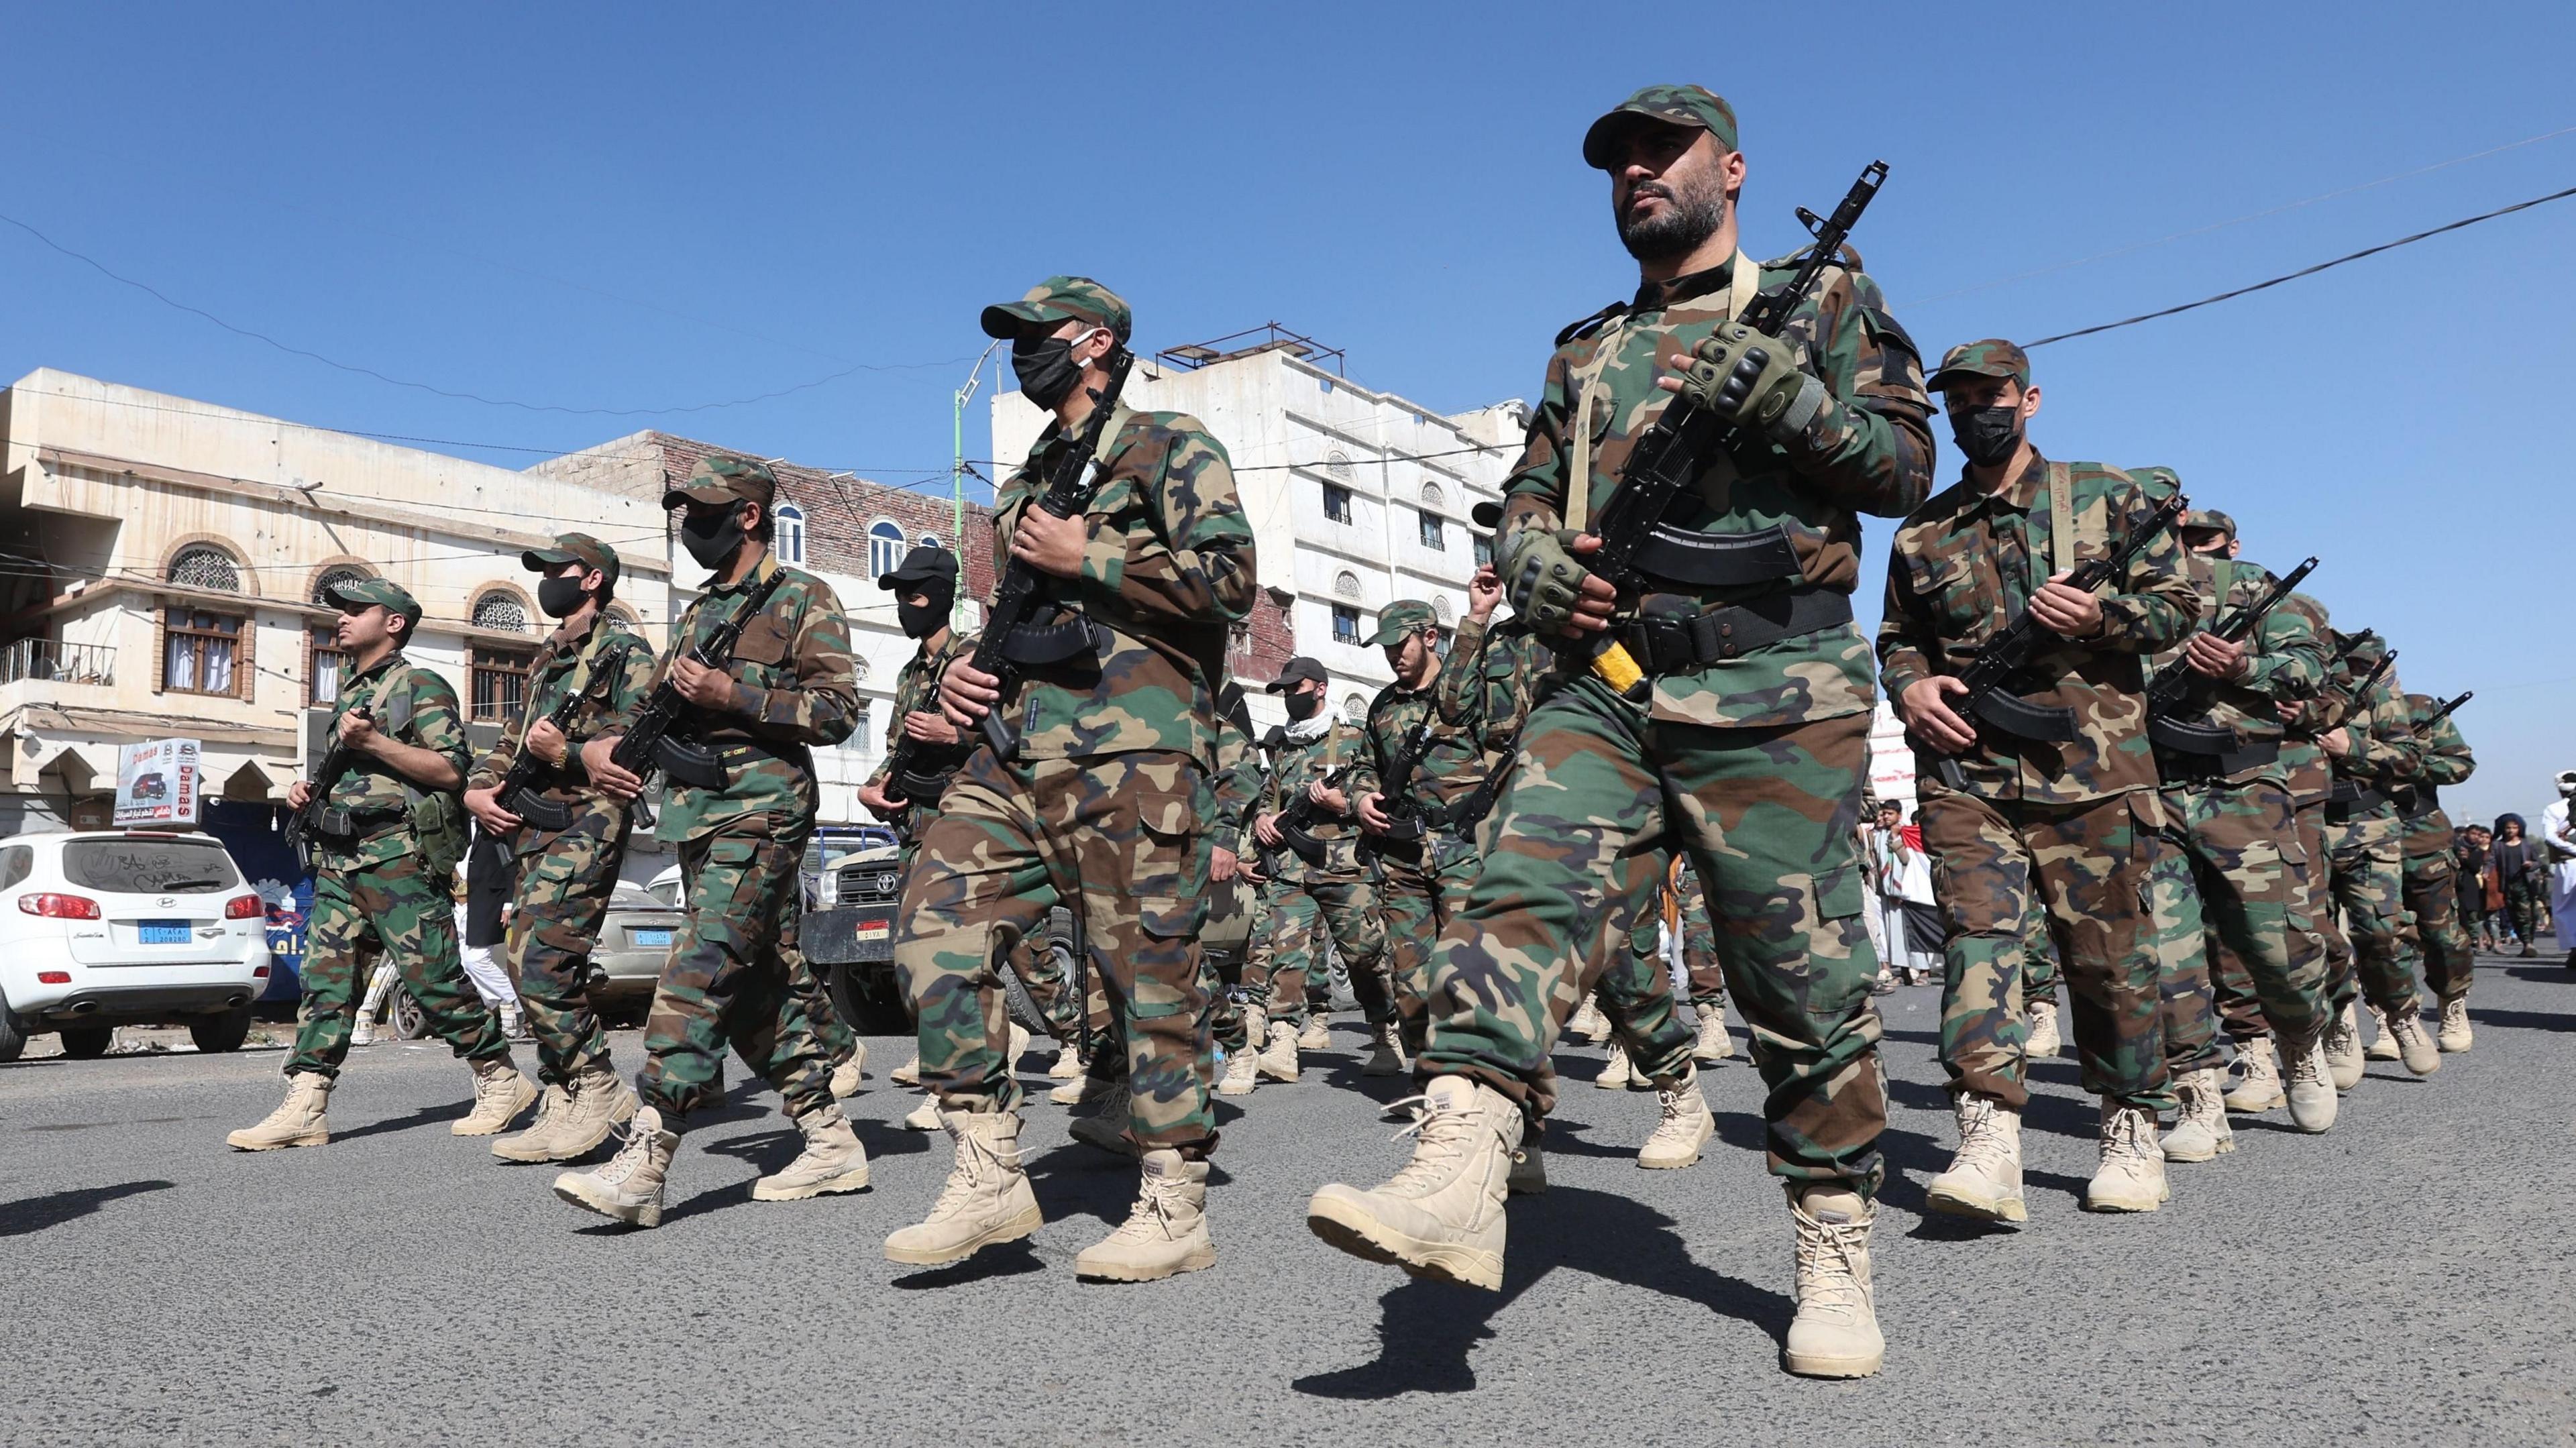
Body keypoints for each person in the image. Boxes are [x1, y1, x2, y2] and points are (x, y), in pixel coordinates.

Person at [1307, 85, 1933, 1380]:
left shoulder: (1826, 304)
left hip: (1777, 683)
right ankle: (1459, 1167)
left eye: (1664, 151)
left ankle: (1830, 1234)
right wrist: (1532, 563)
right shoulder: (1584, 350)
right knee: (1516, 891)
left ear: (1735, 169)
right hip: (1607, 678)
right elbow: (1525, 499)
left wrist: (1791, 402)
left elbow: (1904, 471)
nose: (1638, 171)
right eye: (1620, 160)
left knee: (1798, 982)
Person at [886, 276, 1255, 1282]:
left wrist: (1089, 550)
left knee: (1149, 977)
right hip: (1014, 746)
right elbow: (1022, 614)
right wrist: (973, 673)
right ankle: (987, 1168)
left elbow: (1231, 585)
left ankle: (1175, 1199)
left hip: (1131, 749)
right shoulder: (1028, 477)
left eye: (1034, 337)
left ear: (1095, 343)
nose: (1022, 355)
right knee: (934, 929)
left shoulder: (1170, 445)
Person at [1882, 339, 2198, 1222]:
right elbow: (1897, 637)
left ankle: (2131, 1128)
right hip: (1967, 772)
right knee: (1979, 942)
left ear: (2031, 400)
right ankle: (1989, 1140)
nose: (1976, 410)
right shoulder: (1923, 530)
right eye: (1961, 400)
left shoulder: (2106, 495)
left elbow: (2180, 606)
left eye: (1994, 394)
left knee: (2108, 959)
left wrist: (2106, 614)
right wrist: (1910, 685)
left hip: (2093, 771)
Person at [550, 454, 869, 1227]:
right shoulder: (698, 613)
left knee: (696, 970)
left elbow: (837, 710)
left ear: (749, 515)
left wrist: (735, 693)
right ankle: (829, 1139)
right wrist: (597, 749)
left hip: (763, 810)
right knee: (752, 983)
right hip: (699, 817)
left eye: (703, 511)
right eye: (685, 512)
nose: (690, 525)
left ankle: (649, 1153)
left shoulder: (801, 597)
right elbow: (652, 706)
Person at [227, 577, 535, 1151]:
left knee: (434, 980)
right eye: (339, 610)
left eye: (355, 609)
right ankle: (307, 1102)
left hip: (400, 858)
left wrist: (373, 743)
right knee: (325, 984)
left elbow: (451, 771)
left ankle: (500, 1077)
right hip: (342, 860)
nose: (341, 618)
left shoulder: (420, 685)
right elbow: (357, 777)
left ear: (393, 622)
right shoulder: (351, 690)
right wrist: (309, 793)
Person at [2140, 507, 2337, 1151]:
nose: (2188, 547)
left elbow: (2309, 668)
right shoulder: (2128, 594)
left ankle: (2302, 1042)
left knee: (2277, 948)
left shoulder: (2254, 586)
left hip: (2244, 787)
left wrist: (2241, 668)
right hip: (2149, 790)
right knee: (2167, 956)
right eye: (2176, 535)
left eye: (2200, 537)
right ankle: (2199, 1098)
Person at [460, 534, 657, 1163]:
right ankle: (566, 1091)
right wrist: (480, 788)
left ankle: (596, 1086)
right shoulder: (549, 655)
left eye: (557, 569)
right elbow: (514, 739)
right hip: (534, 826)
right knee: (521, 959)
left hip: (590, 818)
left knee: (545, 956)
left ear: (593, 579)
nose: (548, 580)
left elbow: (635, 746)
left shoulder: (625, 651)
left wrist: (565, 754)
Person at [855, 543, 1034, 1129]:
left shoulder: (978, 657)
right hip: (915, 829)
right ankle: (961, 1061)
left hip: (970, 827)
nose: (907, 604)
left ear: (940, 594)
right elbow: (894, 754)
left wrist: (953, 736)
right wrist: (875, 788)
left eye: (915, 593)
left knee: (984, 953)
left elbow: (1014, 741)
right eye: (900, 595)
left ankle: (1071, 1052)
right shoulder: (910, 674)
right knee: (919, 949)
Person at [1247, 656, 1399, 1080]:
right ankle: (1283, 1042)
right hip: (1292, 869)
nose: (1289, 699)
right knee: (1286, 954)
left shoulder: (1352, 739)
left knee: (1365, 956)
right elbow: (1269, 796)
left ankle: (1386, 1033)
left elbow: (1378, 796)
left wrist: (1344, 803)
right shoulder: (1285, 745)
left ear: (1320, 688)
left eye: (1296, 690)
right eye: (1285, 693)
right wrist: (1263, 819)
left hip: (1345, 867)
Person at [2308, 629, 2438, 1077]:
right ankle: (2338, 1024)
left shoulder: (2375, 696)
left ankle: (2402, 1015)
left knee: (2383, 934)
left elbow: (2412, 760)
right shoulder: (2286, 694)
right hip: (2304, 827)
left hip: (2369, 825)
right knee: (2316, 940)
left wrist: (2352, 747)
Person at [1354, 600, 1471, 1068]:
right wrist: (1360, 797)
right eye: (1384, 648)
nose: (1392, 656)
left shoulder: (1464, 693)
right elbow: (1363, 764)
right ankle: (1434, 1083)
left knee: (1471, 975)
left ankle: (1482, 1087)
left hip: (1465, 852)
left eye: (1399, 644)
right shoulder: (1383, 706)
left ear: (1429, 637)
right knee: (1413, 983)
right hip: (1403, 857)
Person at [2385, 692, 2477, 1050]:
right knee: (2379, 935)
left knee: (2442, 935)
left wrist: (2404, 761)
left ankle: (2452, 1001)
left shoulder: (2419, 708)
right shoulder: (2331, 709)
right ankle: (2393, 1015)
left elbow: (2460, 765)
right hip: (2356, 833)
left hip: (2421, 834)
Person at [2490, 814, 2546, 959]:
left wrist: (2531, 865)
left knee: (2526, 914)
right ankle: (2525, 942)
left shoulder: (2526, 844)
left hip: (2525, 885)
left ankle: (2528, 943)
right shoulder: (2497, 845)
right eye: (2508, 828)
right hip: (2508, 886)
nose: (2511, 831)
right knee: (2513, 915)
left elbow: (2538, 862)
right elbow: (2490, 862)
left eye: (2514, 827)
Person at [2545, 774, 2576, 966]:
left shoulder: (2553, 809)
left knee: (2566, 908)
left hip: (2569, 863)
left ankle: (2574, 949)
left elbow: (2550, 837)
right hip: (2570, 862)